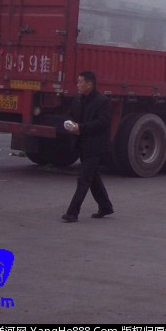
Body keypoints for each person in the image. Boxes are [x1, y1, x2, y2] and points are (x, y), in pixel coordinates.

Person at [61, 70, 115, 223]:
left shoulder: (102, 101)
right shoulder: (78, 100)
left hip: (96, 146)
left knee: (84, 179)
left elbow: (102, 123)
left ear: (89, 84)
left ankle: (72, 213)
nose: (77, 85)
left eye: (80, 82)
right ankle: (105, 207)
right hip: (82, 144)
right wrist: (69, 123)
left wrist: (81, 128)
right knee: (93, 178)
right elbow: (70, 114)